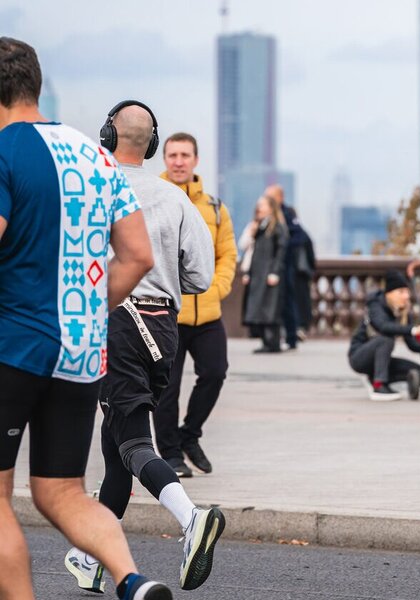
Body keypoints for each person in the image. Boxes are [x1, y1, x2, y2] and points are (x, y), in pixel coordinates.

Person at [0, 37, 172, 600]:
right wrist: (86, 311)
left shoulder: (4, 152)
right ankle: (132, 580)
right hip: (80, 349)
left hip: (13, 346)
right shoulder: (93, 155)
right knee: (62, 491)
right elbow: (139, 255)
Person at [63, 101, 225, 594]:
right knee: (116, 455)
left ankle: (191, 518)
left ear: (107, 135)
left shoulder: (92, 186)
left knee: (133, 440)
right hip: (164, 329)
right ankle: (89, 558)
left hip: (112, 321)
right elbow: (198, 274)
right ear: (153, 147)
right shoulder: (175, 199)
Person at [156, 131, 237, 479]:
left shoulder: (216, 208)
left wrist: (216, 288)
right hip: (166, 312)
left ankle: (190, 435)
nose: (178, 161)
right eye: (172, 155)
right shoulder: (153, 199)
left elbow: (228, 253)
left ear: (195, 160)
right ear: (164, 159)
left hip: (206, 313)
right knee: (166, 389)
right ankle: (171, 454)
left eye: (184, 155)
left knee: (215, 373)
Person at [348, 271, 420, 400]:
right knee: (386, 339)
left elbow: (412, 345)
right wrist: (412, 330)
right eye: (401, 292)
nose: (406, 296)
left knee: (419, 371)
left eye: (407, 292)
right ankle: (379, 386)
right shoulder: (375, 304)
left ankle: (374, 378)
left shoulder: (404, 313)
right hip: (359, 357)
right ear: (389, 293)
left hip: (381, 359)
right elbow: (383, 326)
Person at [267, 185, 315, 351]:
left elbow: (301, 236)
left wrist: (283, 245)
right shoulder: (269, 215)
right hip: (275, 266)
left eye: (270, 197)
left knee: (288, 301)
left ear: (280, 197)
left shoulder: (287, 213)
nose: (267, 200)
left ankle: (292, 337)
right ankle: (276, 337)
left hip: (287, 266)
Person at [241, 193, 289, 353]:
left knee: (271, 309)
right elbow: (252, 251)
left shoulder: (277, 227)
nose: (258, 208)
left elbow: (281, 251)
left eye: (262, 205)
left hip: (269, 273)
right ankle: (265, 341)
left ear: (271, 208)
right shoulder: (260, 226)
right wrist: (248, 272)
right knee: (261, 308)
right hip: (258, 273)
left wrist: (275, 272)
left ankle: (272, 342)